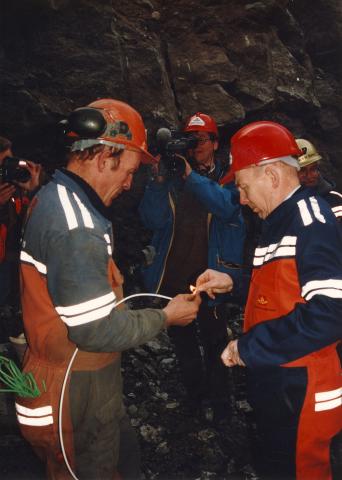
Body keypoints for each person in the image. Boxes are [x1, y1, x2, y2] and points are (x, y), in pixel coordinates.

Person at [15, 98, 201, 480]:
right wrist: (167, 316)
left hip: (80, 379)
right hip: (72, 390)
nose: (130, 183)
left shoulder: (56, 196)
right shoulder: (76, 227)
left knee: (122, 461)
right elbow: (95, 330)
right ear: (103, 157)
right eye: (129, 170)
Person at [195, 121, 342, 480]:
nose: (241, 199)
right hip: (282, 381)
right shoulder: (280, 221)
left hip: (304, 388)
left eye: (244, 187)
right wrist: (234, 282)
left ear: (273, 175)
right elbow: (282, 290)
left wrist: (248, 347)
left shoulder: (311, 221)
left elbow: (331, 313)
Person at [139, 112, 246, 423]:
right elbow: (150, 219)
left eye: (200, 140)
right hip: (176, 279)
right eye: (189, 140)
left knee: (216, 344)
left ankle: (223, 407)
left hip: (213, 281)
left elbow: (227, 207)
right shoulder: (171, 178)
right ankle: (196, 403)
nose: (194, 147)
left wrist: (190, 176)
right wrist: (159, 180)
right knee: (185, 349)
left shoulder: (230, 176)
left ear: (215, 143)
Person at [0, 137, 41, 338]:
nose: (8, 168)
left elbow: (30, 224)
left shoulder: (13, 186)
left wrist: (34, 191)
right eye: (3, 164)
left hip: (8, 259)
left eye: (10, 160)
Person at [296, 138, 342, 222]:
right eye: (302, 170)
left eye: (313, 169)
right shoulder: (279, 205)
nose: (309, 176)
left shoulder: (335, 200)